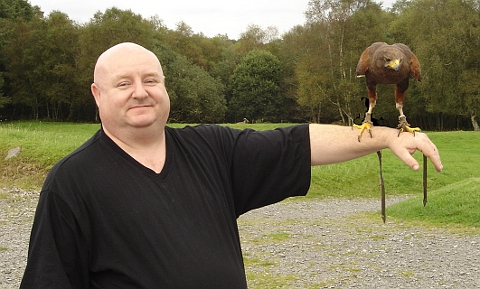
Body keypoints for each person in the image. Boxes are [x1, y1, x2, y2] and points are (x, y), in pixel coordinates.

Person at [20, 42, 443, 289]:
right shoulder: (71, 182)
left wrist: (387, 136)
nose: (140, 93)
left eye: (151, 80)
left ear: (165, 87)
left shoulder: (210, 149)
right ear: (98, 94)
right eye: (123, 83)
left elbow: (296, 143)